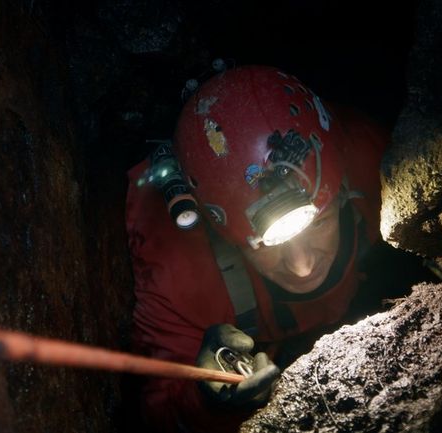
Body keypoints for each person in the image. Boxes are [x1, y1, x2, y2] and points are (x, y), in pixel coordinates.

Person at [125, 65, 388, 432]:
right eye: (263, 245)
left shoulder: (373, 164)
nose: (302, 266)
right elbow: (161, 414)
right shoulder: (179, 264)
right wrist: (207, 399)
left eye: (321, 222)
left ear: (342, 188)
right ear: (218, 229)